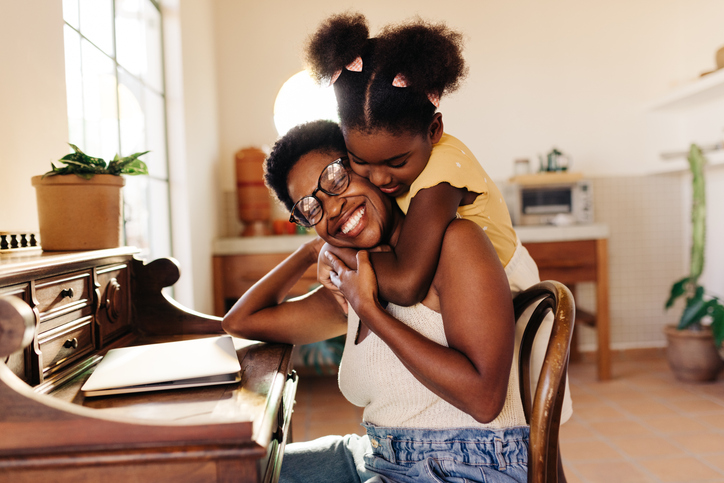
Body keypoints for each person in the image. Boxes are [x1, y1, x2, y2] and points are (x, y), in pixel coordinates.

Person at [223, 120, 529, 483]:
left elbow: (484, 399)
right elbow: (240, 321)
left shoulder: (456, 242)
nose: (332, 209)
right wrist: (312, 251)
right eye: (311, 208)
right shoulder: (355, 280)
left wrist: (370, 311)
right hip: (376, 455)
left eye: (336, 178)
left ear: (367, 168)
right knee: (239, 474)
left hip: (464, 466)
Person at [305, 13, 572, 423]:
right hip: (458, 291)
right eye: (360, 161)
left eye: (395, 162)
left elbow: (408, 281)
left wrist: (334, 252)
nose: (378, 178)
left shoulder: (441, 174)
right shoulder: (401, 166)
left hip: (505, 295)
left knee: (527, 420)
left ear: (434, 130)